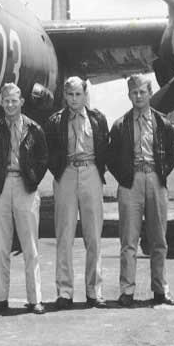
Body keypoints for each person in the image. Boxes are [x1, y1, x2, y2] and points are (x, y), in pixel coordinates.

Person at [107, 74, 174, 307]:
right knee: (128, 239)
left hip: (155, 180)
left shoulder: (163, 124)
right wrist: (125, 177)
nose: (138, 96)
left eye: (142, 92)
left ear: (149, 93)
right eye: (134, 93)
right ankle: (126, 290)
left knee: (159, 239)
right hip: (131, 182)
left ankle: (161, 289)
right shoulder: (120, 125)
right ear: (129, 95)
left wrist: (161, 173)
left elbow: (172, 153)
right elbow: (111, 157)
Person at [0, 83, 48, 314]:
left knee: (30, 246)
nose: (10, 105)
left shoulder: (34, 129)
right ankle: (0, 298)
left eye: (14, 100)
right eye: (6, 100)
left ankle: (35, 298)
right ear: (1, 103)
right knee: (1, 245)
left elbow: (42, 159)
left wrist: (32, 180)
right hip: (1, 186)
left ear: (22, 102)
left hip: (24, 186)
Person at [45, 76, 109, 309]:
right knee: (64, 236)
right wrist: (60, 172)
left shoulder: (98, 119)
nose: (74, 99)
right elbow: (49, 150)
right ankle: (65, 291)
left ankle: (95, 291)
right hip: (67, 174)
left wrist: (97, 171)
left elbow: (105, 146)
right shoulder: (54, 121)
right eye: (70, 95)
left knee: (94, 236)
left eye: (78, 94)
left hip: (91, 171)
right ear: (65, 96)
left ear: (85, 95)